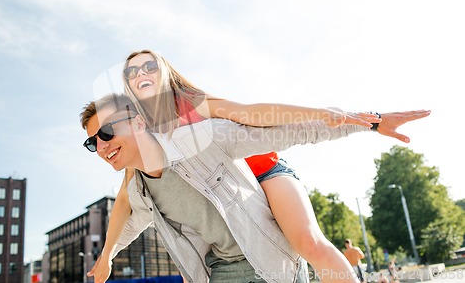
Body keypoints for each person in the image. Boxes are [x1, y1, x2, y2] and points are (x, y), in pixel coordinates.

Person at [117, 49, 423, 283]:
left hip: (263, 171)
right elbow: (126, 195)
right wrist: (106, 255)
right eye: (131, 71)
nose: (140, 72)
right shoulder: (140, 130)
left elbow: (256, 113)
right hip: (224, 198)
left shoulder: (193, 104)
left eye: (149, 65)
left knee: (308, 243)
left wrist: (357, 119)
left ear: (165, 72)